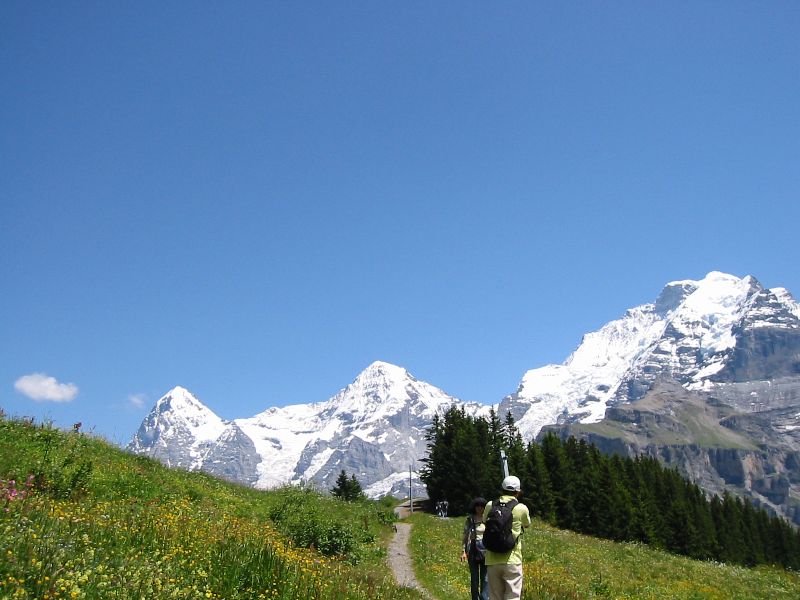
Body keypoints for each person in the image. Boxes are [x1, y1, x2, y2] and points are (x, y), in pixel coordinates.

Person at [482, 475, 531, 600]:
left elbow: (484, 521)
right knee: (513, 596)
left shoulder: (490, 505)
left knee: (495, 597)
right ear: (518, 491)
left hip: (492, 559)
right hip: (512, 559)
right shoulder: (521, 508)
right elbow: (527, 524)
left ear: (502, 489)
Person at [461, 497, 488, 600]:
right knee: (474, 578)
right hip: (472, 551)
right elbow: (465, 536)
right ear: (474, 507)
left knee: (485, 578)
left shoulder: (487, 520)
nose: (480, 508)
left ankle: (484, 598)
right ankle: (475, 598)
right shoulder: (470, 519)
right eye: (478, 506)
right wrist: (463, 551)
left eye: (482, 506)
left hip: (486, 552)